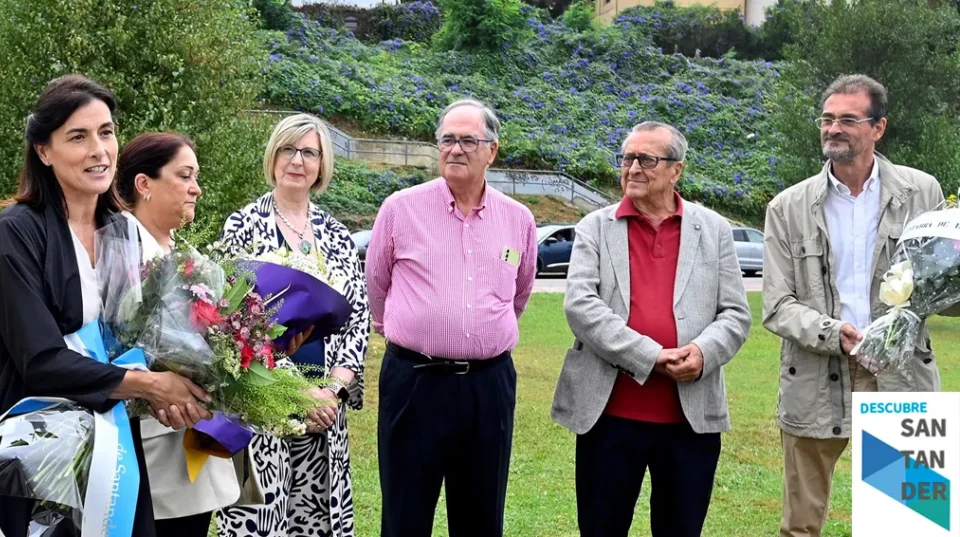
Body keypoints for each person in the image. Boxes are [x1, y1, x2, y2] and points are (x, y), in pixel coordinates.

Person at [0, 75, 211, 537]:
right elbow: (40, 359)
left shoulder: (124, 232)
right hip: (32, 446)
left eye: (106, 132)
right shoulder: (19, 231)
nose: (99, 150)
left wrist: (170, 393)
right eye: (78, 136)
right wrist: (149, 385)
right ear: (44, 151)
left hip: (112, 449)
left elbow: (137, 342)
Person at [762, 74, 949, 537]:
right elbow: (777, 305)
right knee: (800, 527)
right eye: (827, 120)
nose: (833, 129)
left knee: (910, 522)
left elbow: (943, 280)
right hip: (814, 374)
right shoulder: (787, 207)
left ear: (878, 127)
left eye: (848, 119)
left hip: (901, 373)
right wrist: (833, 332)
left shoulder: (923, 192)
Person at [552, 121, 751, 537]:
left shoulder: (713, 230)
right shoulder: (595, 227)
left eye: (646, 159)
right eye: (627, 158)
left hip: (689, 421)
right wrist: (651, 357)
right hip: (608, 419)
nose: (633, 168)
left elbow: (735, 313)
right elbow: (581, 307)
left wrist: (702, 354)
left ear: (676, 170)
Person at [366, 99, 538, 537]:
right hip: (414, 382)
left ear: (492, 151)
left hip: (488, 387)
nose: (456, 149)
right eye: (447, 139)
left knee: (481, 517)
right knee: (405, 514)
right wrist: (411, 329)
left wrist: (482, 332)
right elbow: (377, 286)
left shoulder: (518, 220)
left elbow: (519, 293)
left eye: (468, 140)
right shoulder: (400, 209)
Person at [216, 113, 370, 537]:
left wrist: (331, 390)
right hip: (262, 401)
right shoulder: (243, 225)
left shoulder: (338, 234)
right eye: (288, 149)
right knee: (260, 523)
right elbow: (231, 324)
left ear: (322, 164)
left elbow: (358, 321)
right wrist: (297, 392)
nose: (297, 160)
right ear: (273, 156)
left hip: (325, 409)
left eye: (309, 152)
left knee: (319, 520)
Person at [114, 131, 241, 535]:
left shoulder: (190, 257)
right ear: (144, 183)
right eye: (185, 176)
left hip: (194, 442)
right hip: (146, 447)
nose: (196, 188)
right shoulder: (116, 250)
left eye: (196, 176)